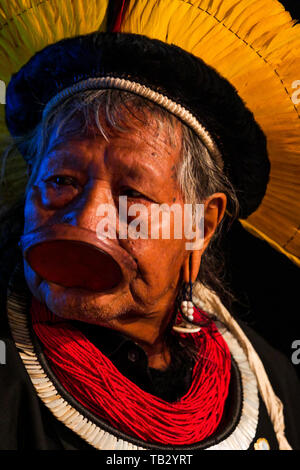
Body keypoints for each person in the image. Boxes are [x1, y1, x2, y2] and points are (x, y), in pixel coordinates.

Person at [0, 0, 299, 451]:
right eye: (61, 180)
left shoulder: (271, 381)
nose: (85, 220)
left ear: (201, 223)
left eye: (132, 196)